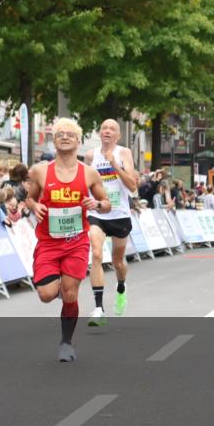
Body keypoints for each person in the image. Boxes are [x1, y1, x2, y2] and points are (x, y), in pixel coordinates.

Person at [24, 118, 111, 362]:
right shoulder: (40, 171)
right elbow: (29, 199)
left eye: (70, 134)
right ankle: (60, 289)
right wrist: (35, 206)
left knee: (70, 294)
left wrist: (96, 204)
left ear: (78, 141)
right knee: (46, 294)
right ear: (54, 140)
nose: (64, 137)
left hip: (76, 242)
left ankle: (66, 343)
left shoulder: (89, 173)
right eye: (60, 134)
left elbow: (107, 204)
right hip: (48, 242)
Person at [84, 118, 138, 325]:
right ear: (100, 133)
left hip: (119, 215)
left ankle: (121, 287)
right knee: (96, 254)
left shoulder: (124, 153)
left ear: (118, 135)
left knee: (118, 262)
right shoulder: (91, 155)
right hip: (97, 212)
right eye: (104, 128)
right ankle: (99, 309)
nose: (107, 131)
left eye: (112, 129)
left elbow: (132, 186)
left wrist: (114, 164)